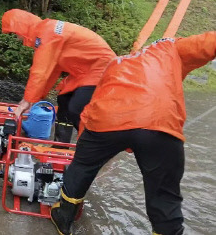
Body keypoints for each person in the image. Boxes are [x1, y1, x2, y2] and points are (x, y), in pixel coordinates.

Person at [50, 33, 216, 235]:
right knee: (164, 194)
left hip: (106, 120)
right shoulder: (169, 48)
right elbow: (209, 42)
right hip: (158, 123)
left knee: (82, 167)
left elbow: (92, 107)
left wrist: (88, 149)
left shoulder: (116, 63)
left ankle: (64, 219)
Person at [1, 9, 116, 143]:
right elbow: (52, 71)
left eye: (16, 33)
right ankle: (61, 146)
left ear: (21, 27)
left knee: (76, 109)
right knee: (64, 100)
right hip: (85, 71)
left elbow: (40, 71)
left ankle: (93, 147)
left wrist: (27, 100)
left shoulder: (47, 35)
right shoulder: (46, 31)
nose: (18, 38)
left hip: (101, 69)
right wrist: (34, 99)